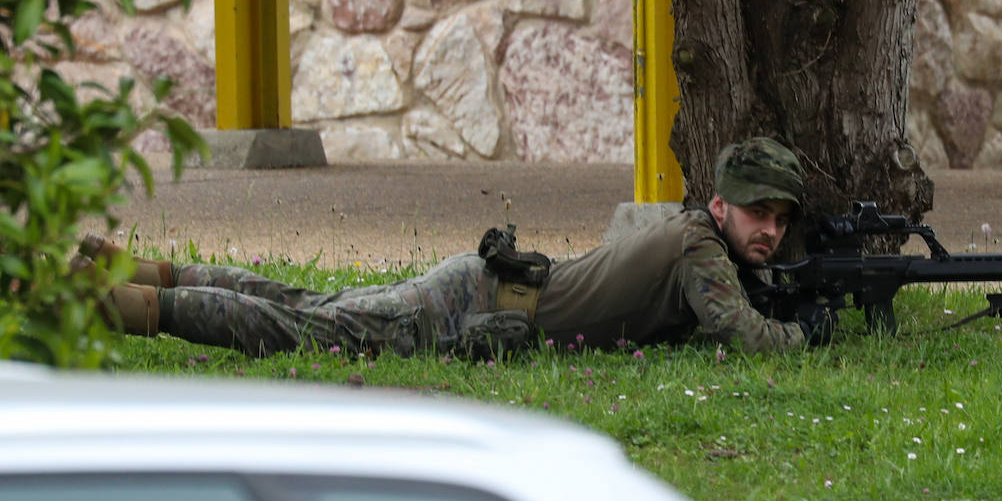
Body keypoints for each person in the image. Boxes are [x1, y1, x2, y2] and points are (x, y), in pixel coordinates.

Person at [75, 137, 838, 359]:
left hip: (483, 285)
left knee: (305, 302)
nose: (768, 230)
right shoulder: (701, 250)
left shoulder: (693, 234)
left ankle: (136, 270)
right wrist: (803, 334)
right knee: (302, 329)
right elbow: (744, 335)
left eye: (779, 218)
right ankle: (120, 304)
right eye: (756, 213)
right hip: (470, 303)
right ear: (719, 205)